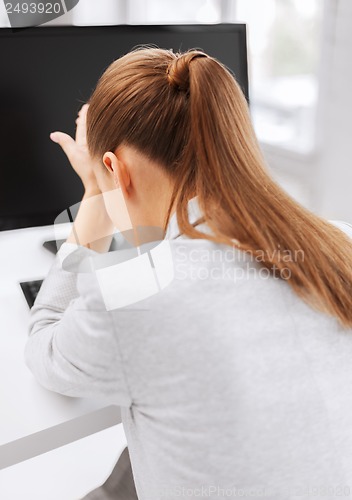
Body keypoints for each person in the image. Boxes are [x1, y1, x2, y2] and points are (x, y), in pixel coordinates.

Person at [25, 47, 352, 500]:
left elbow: (45, 341)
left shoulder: (131, 299)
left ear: (113, 168)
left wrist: (98, 198)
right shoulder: (340, 244)